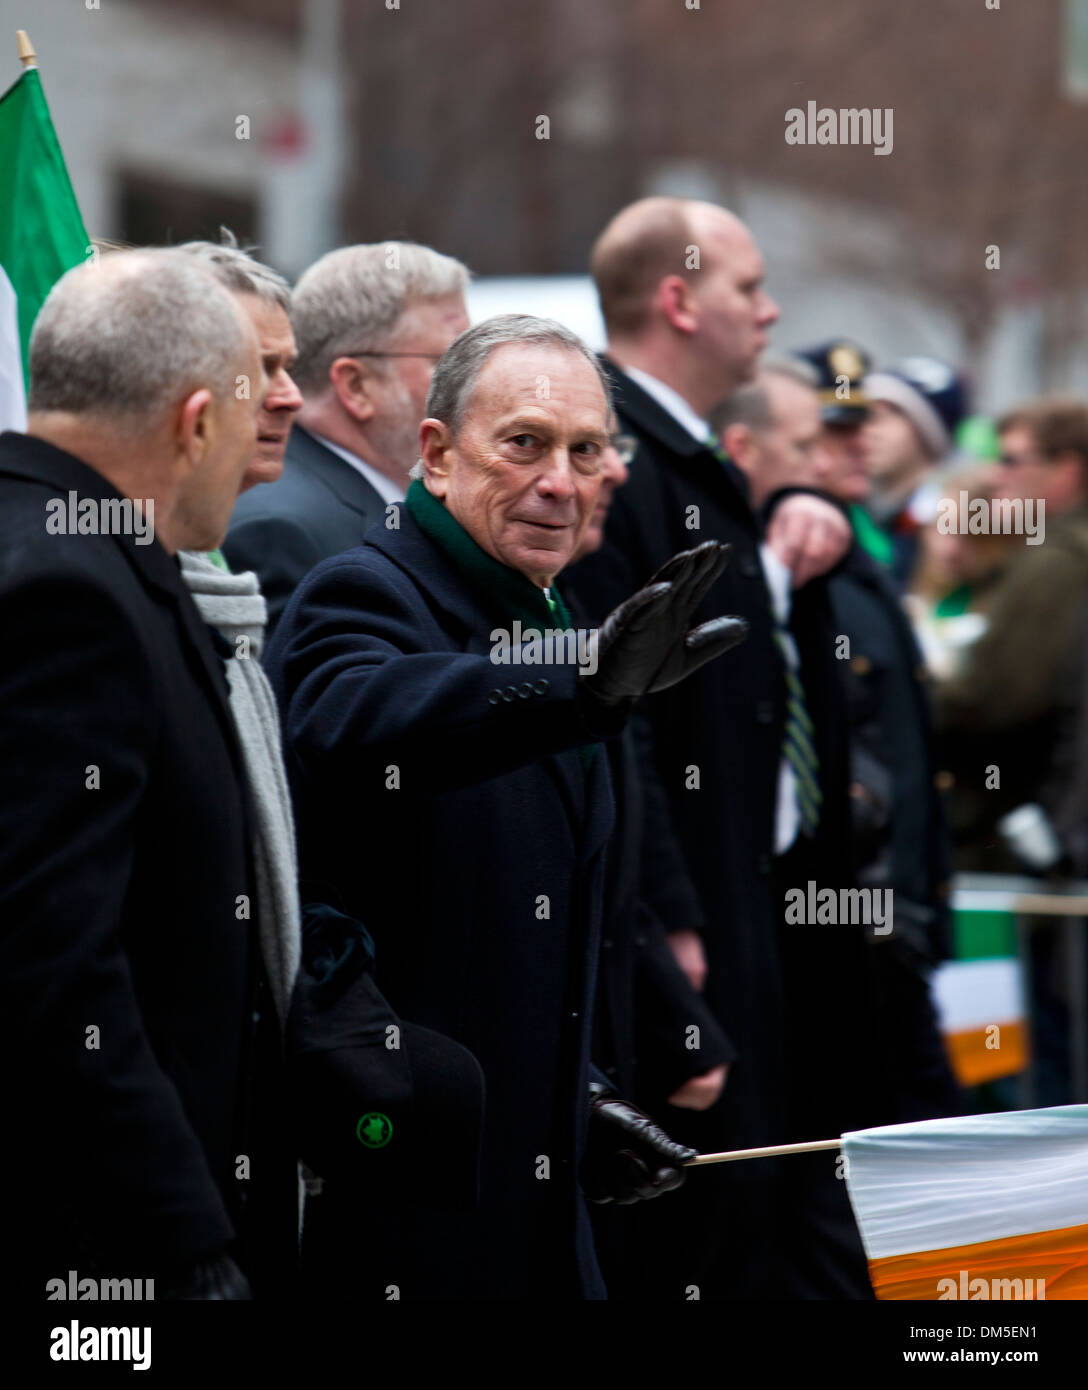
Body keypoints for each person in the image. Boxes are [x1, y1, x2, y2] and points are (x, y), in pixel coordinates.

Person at [265, 314, 747, 1299]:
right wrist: (579, 678)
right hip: (406, 1202)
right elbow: (352, 714)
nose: (560, 480)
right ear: (435, 454)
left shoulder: (548, 610)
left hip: (532, 1198)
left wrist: (582, 1101)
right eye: (522, 443)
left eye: (584, 451)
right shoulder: (363, 589)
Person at [568, 199, 875, 1300]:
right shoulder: (610, 458)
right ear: (678, 298)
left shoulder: (683, 460)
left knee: (755, 1217)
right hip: (683, 922)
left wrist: (794, 494)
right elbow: (617, 713)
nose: (770, 307)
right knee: (695, 1237)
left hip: (748, 906)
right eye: (748, 286)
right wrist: (672, 920)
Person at [0, 249, 279, 1299]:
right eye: (250, 416)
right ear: (196, 420)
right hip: (87, 1249)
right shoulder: (74, 593)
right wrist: (179, 1237)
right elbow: (47, 957)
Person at [724, 358, 963, 1125]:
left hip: (887, 924)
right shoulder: (794, 562)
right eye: (834, 432)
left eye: (866, 429)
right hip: (850, 929)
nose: (858, 447)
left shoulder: (855, 557)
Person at [223, 241, 470, 633]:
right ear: (356, 386)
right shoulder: (283, 534)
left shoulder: (390, 508)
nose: (473, 388)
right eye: (449, 365)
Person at [859, 355, 971, 590]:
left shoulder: (958, 527)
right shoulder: (856, 511)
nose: (868, 430)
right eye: (865, 415)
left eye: (886, 416)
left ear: (928, 433)